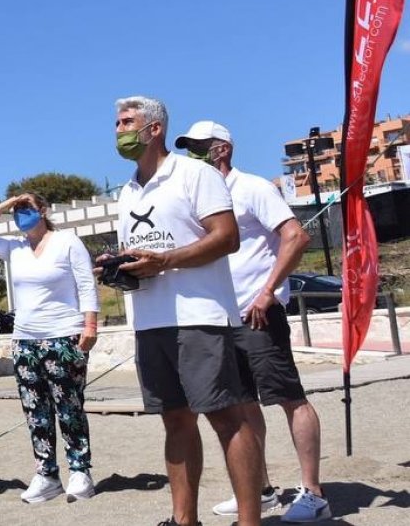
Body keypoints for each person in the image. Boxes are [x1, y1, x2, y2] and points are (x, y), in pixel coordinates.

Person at [100, 96, 263, 526]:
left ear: (155, 129)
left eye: (127, 121)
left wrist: (166, 261)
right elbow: (147, 251)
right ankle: (183, 519)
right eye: (116, 123)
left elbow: (227, 237)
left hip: (200, 317)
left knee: (226, 417)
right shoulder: (128, 191)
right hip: (150, 320)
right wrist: (121, 268)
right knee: (175, 420)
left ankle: (250, 520)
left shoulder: (196, 173)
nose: (119, 130)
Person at [176, 120, 331, 522]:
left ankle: (313, 493)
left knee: (288, 397)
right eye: (188, 147)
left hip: (258, 314)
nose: (192, 154)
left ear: (222, 149)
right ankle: (259, 490)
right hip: (221, 318)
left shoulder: (253, 188)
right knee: (241, 406)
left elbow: (296, 236)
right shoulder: (202, 197)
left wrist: (267, 292)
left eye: (198, 146)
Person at [0, 192, 100, 504]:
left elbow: (86, 284)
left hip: (64, 335)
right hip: (25, 340)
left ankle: (80, 471)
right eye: (16, 211)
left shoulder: (67, 241)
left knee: (68, 406)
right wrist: (2, 207)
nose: (21, 215)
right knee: (35, 411)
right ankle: (46, 473)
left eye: (26, 208)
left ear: (43, 210)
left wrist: (91, 325)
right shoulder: (15, 249)